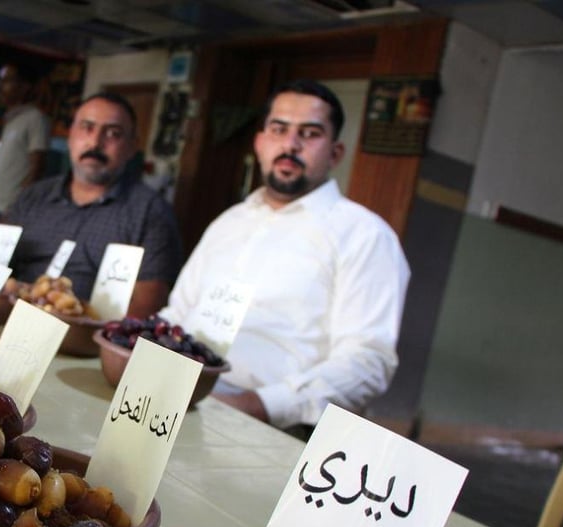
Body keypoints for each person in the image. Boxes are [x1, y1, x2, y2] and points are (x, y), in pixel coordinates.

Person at [160, 79, 410, 434]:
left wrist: (258, 405)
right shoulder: (229, 222)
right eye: (279, 130)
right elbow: (178, 313)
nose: (290, 144)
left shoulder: (365, 236)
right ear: (260, 142)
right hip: (178, 398)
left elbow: (368, 362)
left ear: (335, 153)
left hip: (278, 424)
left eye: (310, 134)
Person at [3, 92, 183, 318]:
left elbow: (147, 306)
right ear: (70, 136)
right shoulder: (32, 197)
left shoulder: (151, 213)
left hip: (87, 342)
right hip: (9, 322)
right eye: (87, 127)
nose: (96, 142)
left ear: (131, 147)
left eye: (113, 133)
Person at [0, 62, 50, 247]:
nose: (0, 87)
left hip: (7, 211)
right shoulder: (12, 119)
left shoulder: (35, 119)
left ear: (25, 86)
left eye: (7, 81)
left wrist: (15, 208)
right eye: (0, 81)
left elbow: (37, 168)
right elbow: (5, 162)